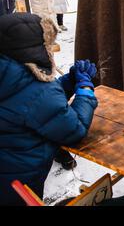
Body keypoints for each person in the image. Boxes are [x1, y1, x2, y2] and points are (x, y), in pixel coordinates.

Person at [0, 13, 98, 206]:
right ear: (34, 49)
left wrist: (69, 81)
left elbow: (35, 101)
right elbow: (74, 129)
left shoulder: (10, 74)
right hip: (19, 180)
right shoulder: (36, 90)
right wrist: (85, 90)